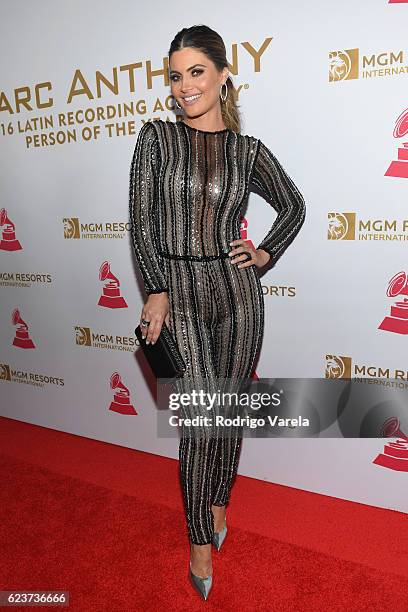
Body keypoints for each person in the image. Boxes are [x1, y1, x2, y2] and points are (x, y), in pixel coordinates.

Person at [129, 24, 306, 601]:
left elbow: (295, 205)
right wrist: (156, 289)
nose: (184, 87)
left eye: (196, 72)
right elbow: (143, 222)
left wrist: (264, 253)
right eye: (176, 76)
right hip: (177, 292)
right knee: (201, 420)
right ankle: (200, 539)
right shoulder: (155, 140)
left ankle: (221, 497)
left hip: (237, 294)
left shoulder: (247, 151)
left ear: (224, 74)